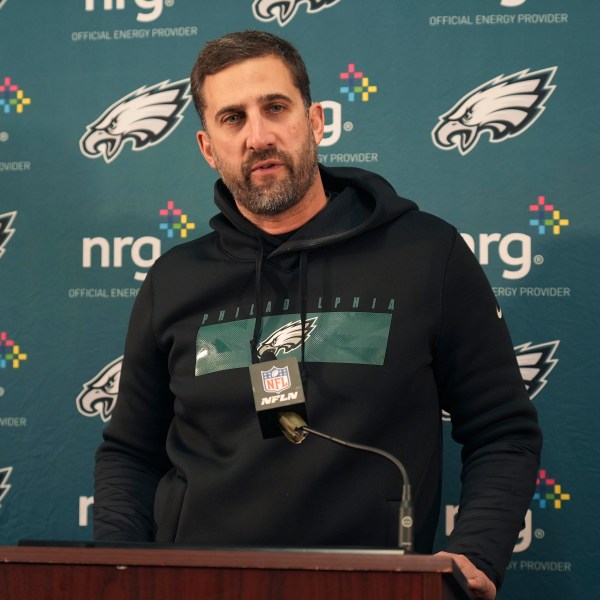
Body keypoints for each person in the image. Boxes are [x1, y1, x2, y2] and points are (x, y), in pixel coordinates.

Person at [94, 30, 542, 599]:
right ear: (209, 147)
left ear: (316, 121)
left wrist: (475, 552)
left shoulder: (427, 255)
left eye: (275, 108)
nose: (258, 136)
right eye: (233, 118)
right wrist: (119, 572)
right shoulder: (174, 279)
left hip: (375, 588)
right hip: (199, 585)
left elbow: (504, 430)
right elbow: (130, 452)